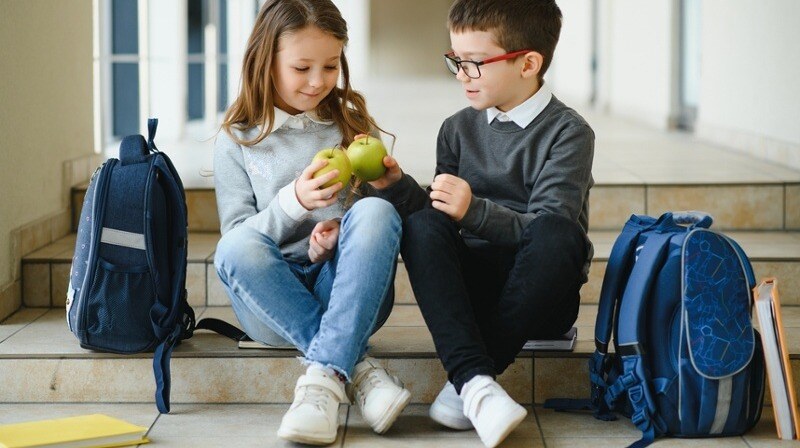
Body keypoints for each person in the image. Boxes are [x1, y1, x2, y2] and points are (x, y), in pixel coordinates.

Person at [371, 0, 595, 446]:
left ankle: (465, 380)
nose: (460, 75)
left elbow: (545, 230)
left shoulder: (569, 132)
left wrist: (475, 211)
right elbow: (441, 218)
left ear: (528, 63)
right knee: (421, 227)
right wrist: (396, 185)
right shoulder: (456, 129)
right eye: (456, 60)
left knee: (560, 234)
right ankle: (477, 385)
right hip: (471, 292)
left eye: (474, 64)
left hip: (539, 296)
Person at [212, 0, 410, 444]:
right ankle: (355, 368)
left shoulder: (353, 126)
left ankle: (323, 377)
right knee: (234, 247)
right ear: (266, 61)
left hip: (345, 290)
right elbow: (239, 243)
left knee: (376, 212)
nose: (319, 81)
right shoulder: (237, 141)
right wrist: (294, 203)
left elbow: (371, 234)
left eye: (331, 65)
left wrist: (347, 226)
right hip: (271, 303)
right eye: (302, 67)